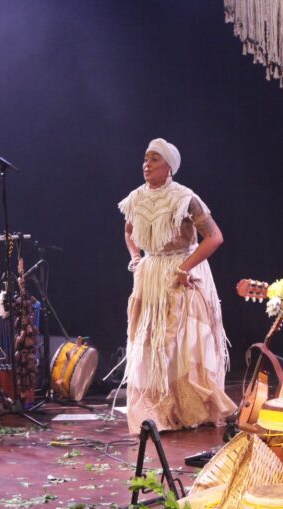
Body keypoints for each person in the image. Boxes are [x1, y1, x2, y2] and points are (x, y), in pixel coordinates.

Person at [118, 138, 236, 434]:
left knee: (184, 341)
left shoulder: (185, 198)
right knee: (153, 343)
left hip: (183, 272)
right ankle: (159, 409)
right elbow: (129, 230)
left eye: (155, 159)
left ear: (169, 166)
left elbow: (215, 237)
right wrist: (136, 257)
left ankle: (191, 409)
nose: (147, 164)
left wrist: (185, 267)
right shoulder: (136, 198)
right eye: (145, 158)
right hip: (152, 273)